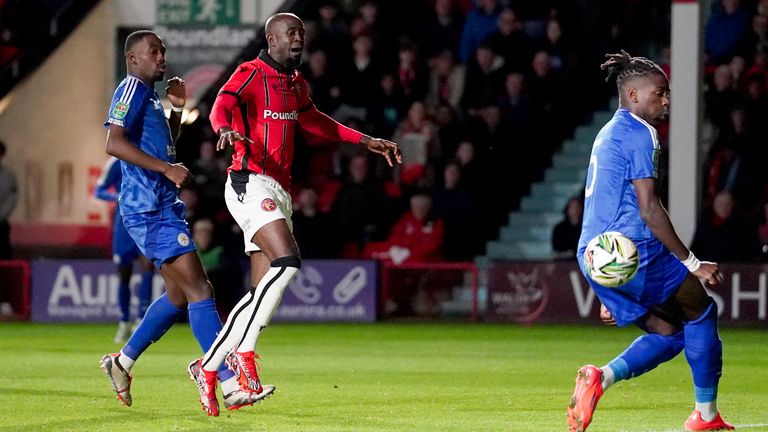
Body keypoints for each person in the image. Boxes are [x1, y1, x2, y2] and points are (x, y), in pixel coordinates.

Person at [196, 12, 401, 415]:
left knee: (261, 291)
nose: (298, 39)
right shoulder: (251, 72)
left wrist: (365, 140)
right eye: (291, 33)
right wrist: (223, 127)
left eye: (301, 34)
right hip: (247, 181)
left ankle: (210, 368)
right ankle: (244, 356)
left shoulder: (294, 83)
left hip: (278, 190)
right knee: (288, 261)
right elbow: (221, 103)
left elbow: (314, 120)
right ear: (271, 39)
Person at [568, 51, 733, 432]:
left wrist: (610, 279)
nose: (666, 101)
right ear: (634, 95)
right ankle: (705, 417)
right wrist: (693, 263)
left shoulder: (607, 132)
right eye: (660, 93)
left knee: (671, 334)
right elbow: (649, 208)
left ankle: (600, 378)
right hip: (635, 249)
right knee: (701, 310)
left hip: (595, 255)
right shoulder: (643, 133)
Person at [98, 30, 258, 416]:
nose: (162, 57)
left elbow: (161, 143)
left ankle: (122, 362)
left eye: (163, 50)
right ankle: (226, 381)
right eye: (154, 51)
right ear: (133, 58)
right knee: (201, 290)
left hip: (161, 205)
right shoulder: (130, 90)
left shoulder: (149, 96)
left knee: (177, 297)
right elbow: (114, 143)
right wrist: (166, 169)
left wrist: (174, 111)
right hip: (148, 208)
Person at [94, 156, 155, 343]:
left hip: (147, 220)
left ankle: (141, 320)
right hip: (124, 224)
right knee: (124, 273)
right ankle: (124, 321)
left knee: (148, 268)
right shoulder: (115, 161)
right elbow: (99, 190)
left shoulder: (150, 155)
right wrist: (118, 197)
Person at [0, 140, 17, 260]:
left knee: (4, 255)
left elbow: (11, 199)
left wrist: (0, 215)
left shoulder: (8, 175)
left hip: (1, 224)